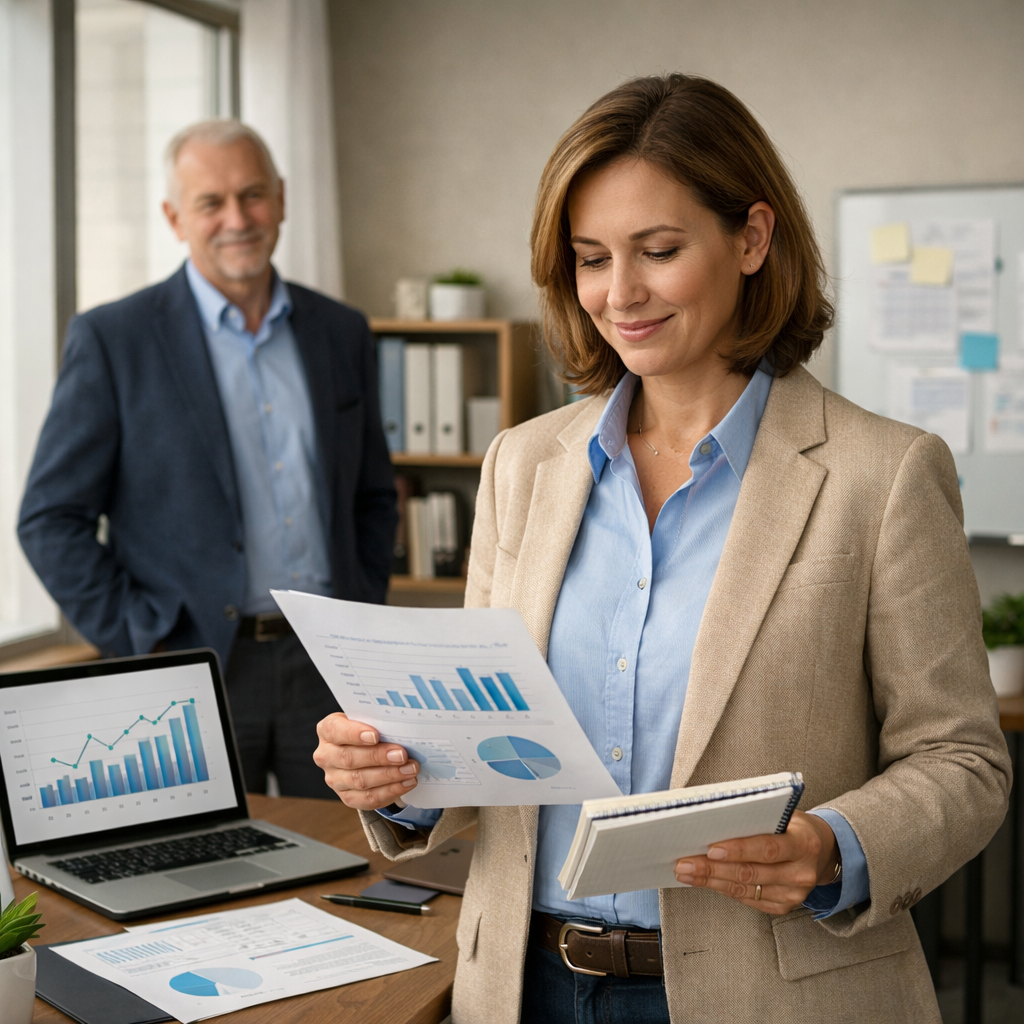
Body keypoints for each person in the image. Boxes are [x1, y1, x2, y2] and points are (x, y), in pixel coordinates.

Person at [312, 75, 1011, 1022]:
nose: (620, 293)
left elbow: (963, 759)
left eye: (660, 251)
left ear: (753, 239)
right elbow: (485, 745)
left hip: (771, 990)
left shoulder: (883, 474)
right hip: (525, 985)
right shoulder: (523, 464)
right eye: (591, 258)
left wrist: (834, 846)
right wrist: (399, 781)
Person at [19, 120, 396, 800]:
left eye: (252, 195)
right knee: (204, 870)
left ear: (280, 199)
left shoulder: (340, 330)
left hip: (329, 662)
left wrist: (363, 609)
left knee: (354, 859)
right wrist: (142, 636)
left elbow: (372, 494)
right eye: (210, 202)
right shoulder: (114, 339)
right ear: (174, 217)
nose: (237, 219)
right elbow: (50, 519)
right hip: (190, 667)